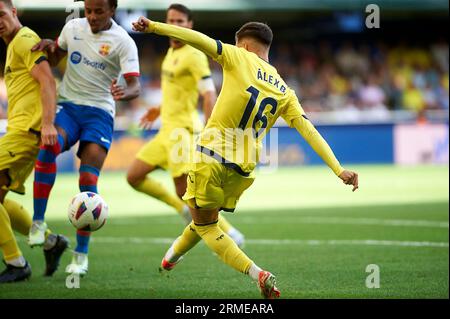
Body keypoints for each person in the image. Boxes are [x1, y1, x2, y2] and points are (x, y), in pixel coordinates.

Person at [132, 17, 359, 298]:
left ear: (245, 44)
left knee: (206, 225)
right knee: (203, 216)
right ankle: (171, 259)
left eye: (237, 44)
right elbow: (308, 130)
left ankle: (257, 273)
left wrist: (154, 27)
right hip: (241, 171)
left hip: (210, 157)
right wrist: (338, 169)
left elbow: (198, 39)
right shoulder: (284, 90)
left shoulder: (238, 56)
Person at [28, 0, 141, 276]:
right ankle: (39, 221)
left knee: (88, 182)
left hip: (100, 113)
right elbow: (56, 57)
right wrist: (49, 48)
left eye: (98, 11)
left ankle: (81, 255)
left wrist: (123, 92)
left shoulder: (123, 41)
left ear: (112, 10)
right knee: (48, 146)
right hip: (69, 106)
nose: (91, 16)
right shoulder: (73, 27)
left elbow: (135, 86)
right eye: (88, 10)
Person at [126, 4, 245, 246]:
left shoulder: (194, 54)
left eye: (180, 21)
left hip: (182, 132)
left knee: (187, 192)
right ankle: (180, 210)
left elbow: (209, 94)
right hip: (165, 132)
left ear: (190, 25)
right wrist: (158, 109)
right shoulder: (170, 53)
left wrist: (210, 131)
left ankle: (229, 233)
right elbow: (180, 92)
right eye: (171, 20)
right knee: (134, 176)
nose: (175, 25)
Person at [0, 0, 69, 283]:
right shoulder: (14, 45)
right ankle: (51, 242)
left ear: (13, 12)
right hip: (20, 131)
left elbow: (48, 81)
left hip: (27, 132)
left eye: (1, 14)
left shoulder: (24, 39)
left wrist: (48, 123)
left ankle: (16, 263)